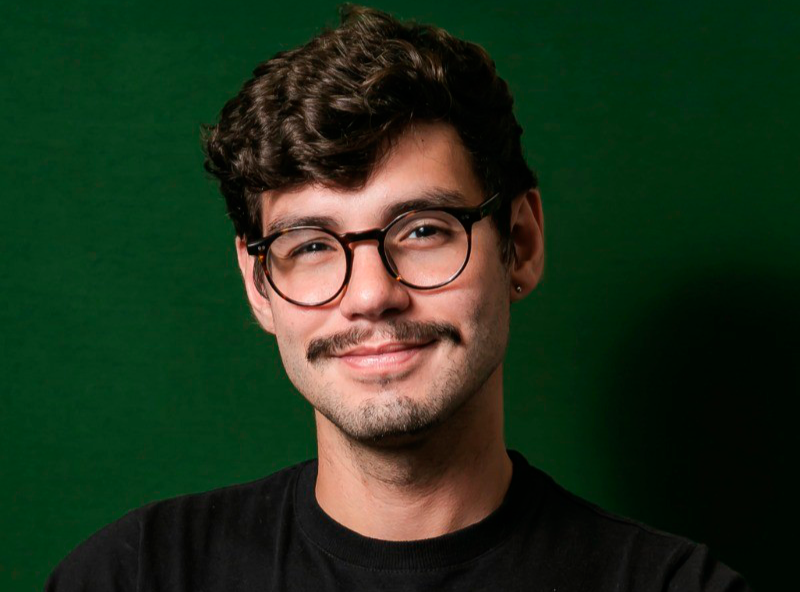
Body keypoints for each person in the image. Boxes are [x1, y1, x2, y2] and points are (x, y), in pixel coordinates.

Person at [46, 5, 750, 591]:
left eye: (421, 230)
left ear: (523, 243)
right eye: (313, 245)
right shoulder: (134, 577)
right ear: (259, 283)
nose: (373, 295)